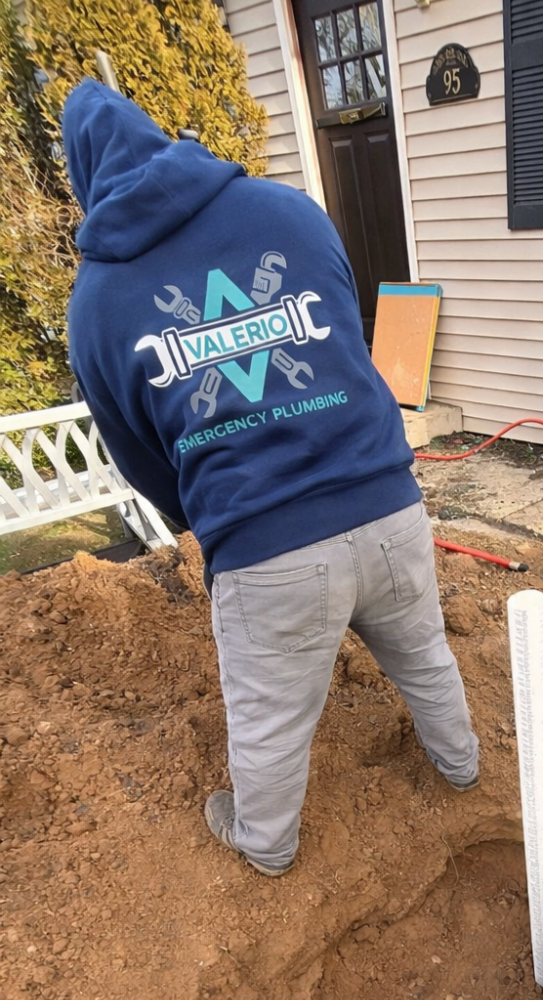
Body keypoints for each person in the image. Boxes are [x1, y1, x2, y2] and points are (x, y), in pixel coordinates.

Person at [61, 79, 479, 877]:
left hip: (267, 550)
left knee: (268, 723)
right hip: (390, 505)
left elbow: (137, 451)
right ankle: (460, 764)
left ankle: (266, 842)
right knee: (425, 655)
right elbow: (343, 348)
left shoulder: (100, 301)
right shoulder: (289, 212)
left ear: (85, 177)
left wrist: (208, 519)